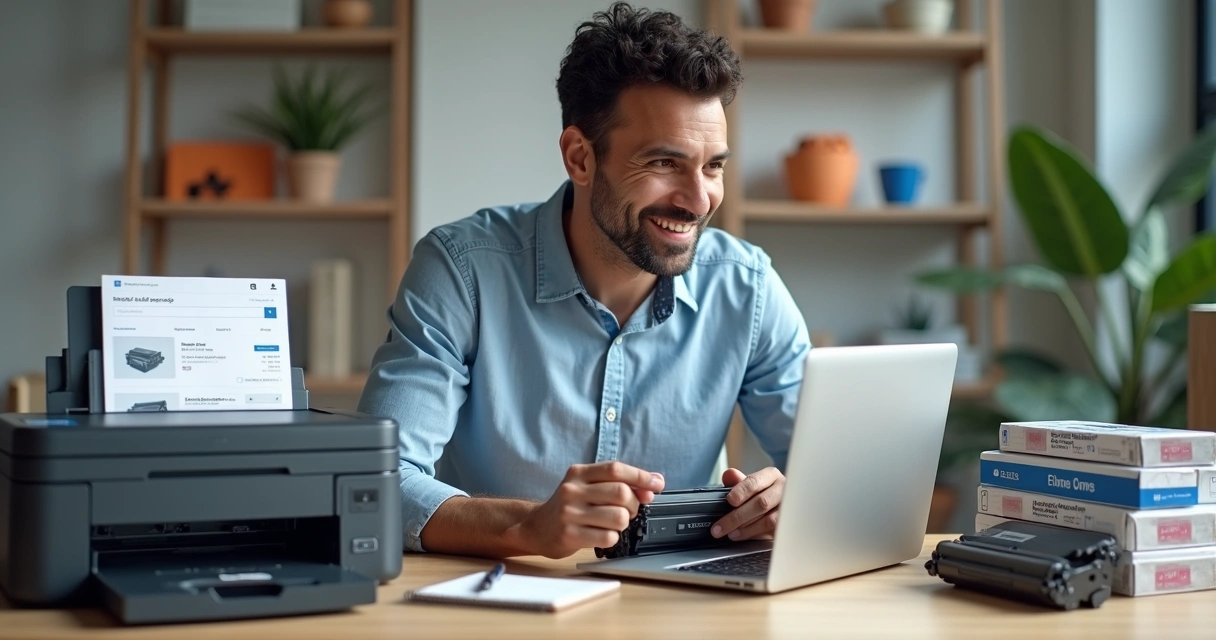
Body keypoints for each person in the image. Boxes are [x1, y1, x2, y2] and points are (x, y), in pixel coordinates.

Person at [358, 2, 810, 559]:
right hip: (499, 592)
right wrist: (527, 527)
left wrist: (794, 500)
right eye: (664, 163)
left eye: (713, 166)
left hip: (682, 598)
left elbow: (843, 469)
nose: (699, 201)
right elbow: (376, 480)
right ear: (580, 158)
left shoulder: (748, 288)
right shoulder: (462, 270)